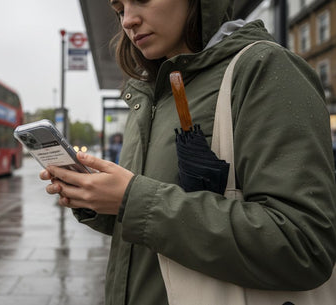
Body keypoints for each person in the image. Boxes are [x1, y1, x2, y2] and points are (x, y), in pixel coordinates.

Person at [40, 0, 336, 304]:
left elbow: (304, 244)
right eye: (119, 9)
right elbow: (151, 218)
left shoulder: (266, 69)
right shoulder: (152, 94)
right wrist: (95, 197)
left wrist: (133, 199)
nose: (127, 20)